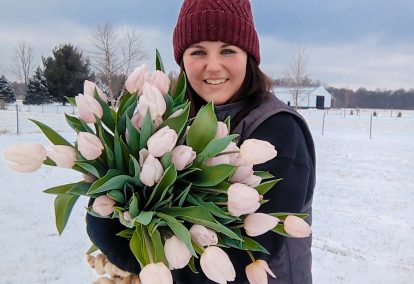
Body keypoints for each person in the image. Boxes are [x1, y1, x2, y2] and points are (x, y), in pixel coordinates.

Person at [86, 0, 315, 283]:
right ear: (182, 60)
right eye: (198, 51)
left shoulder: (279, 129)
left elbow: (244, 255)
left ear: (249, 56)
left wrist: (128, 251)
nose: (213, 66)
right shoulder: (175, 119)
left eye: (228, 50)